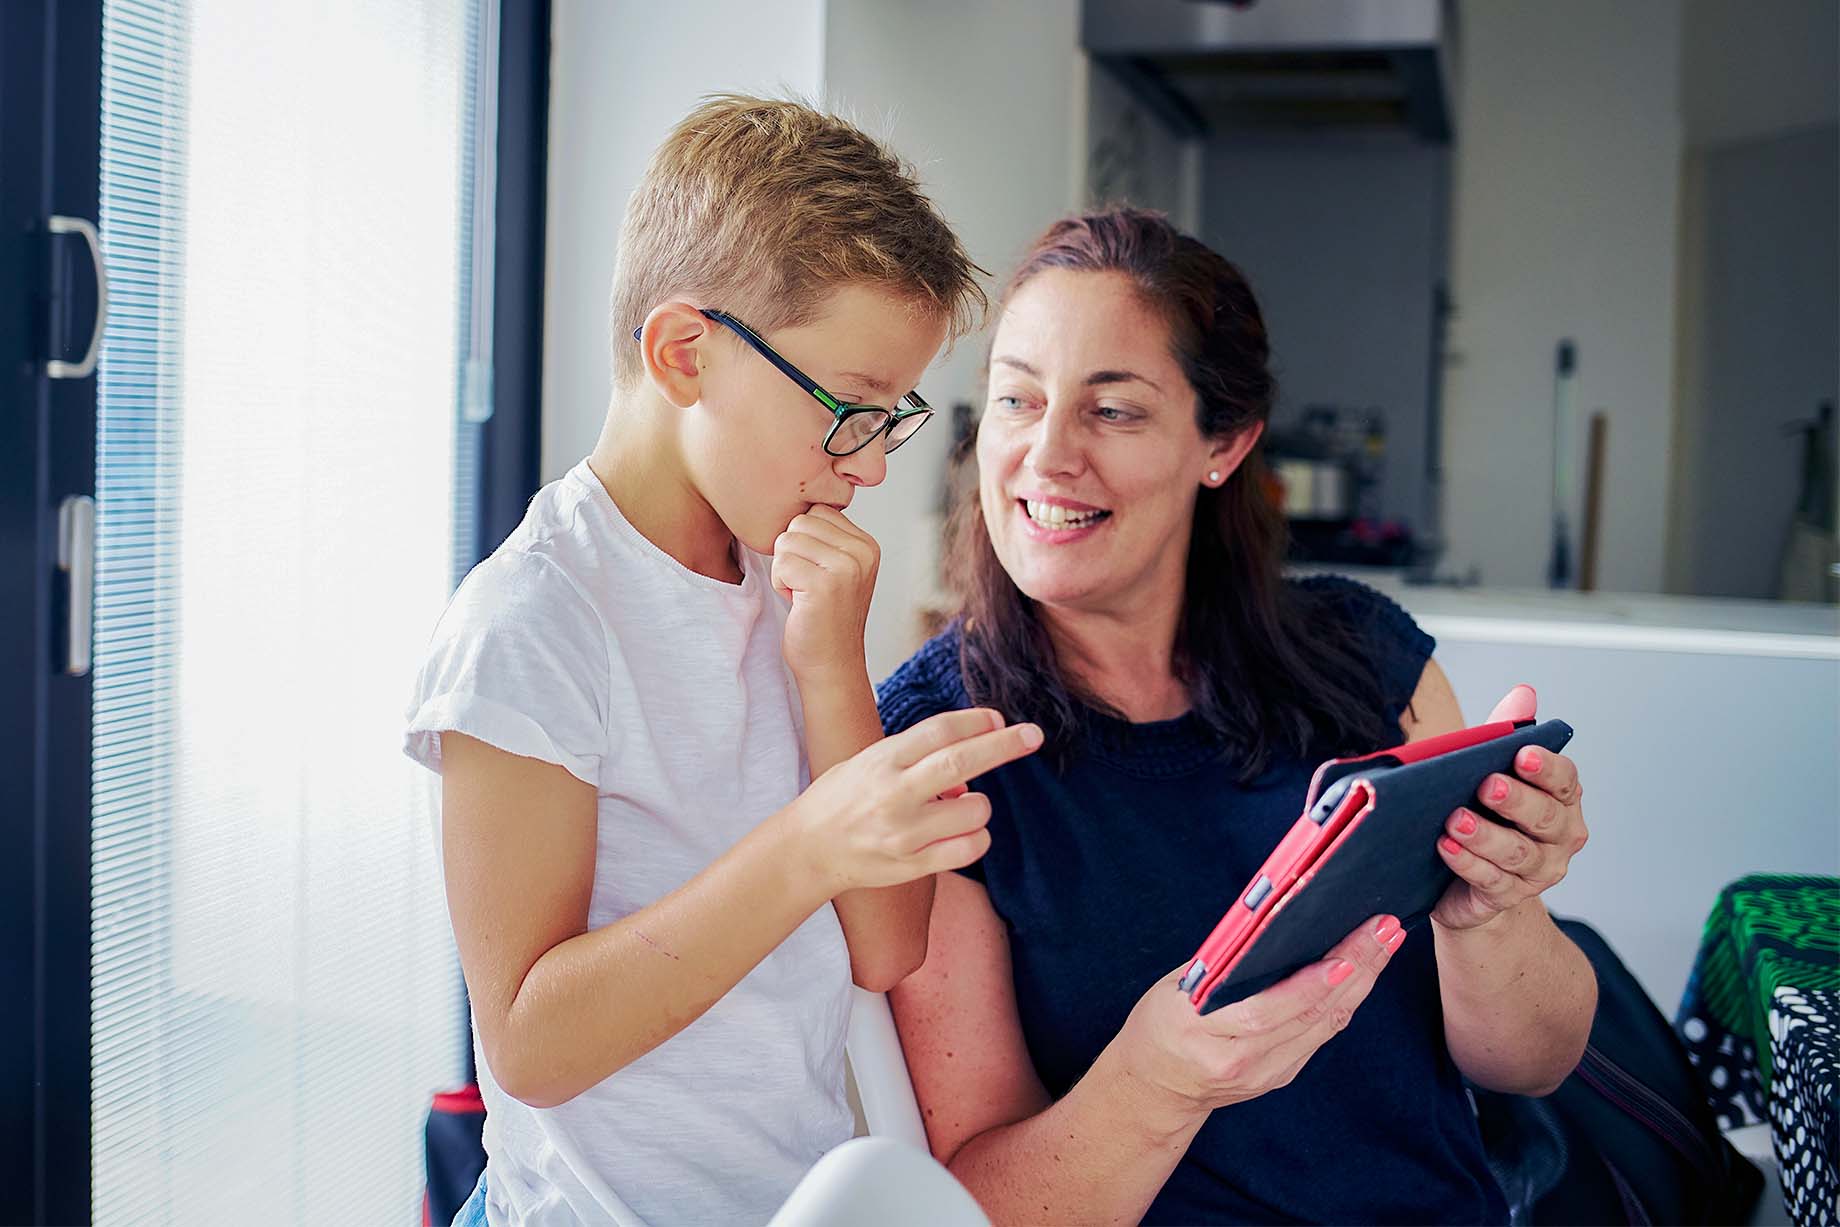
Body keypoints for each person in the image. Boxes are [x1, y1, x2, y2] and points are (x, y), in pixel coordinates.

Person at [876, 207, 1598, 1225]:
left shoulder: (1366, 663)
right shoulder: (933, 747)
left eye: (1112, 411)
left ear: (1223, 443)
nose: (1046, 455)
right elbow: (976, 1204)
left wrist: (1494, 909)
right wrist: (1156, 1084)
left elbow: (1535, 1062)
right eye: (1015, 401)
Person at [403, 96, 1042, 1226]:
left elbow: (886, 950)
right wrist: (806, 846)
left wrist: (831, 666)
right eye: (850, 410)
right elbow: (531, 1044)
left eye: (888, 419)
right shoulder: (534, 623)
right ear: (685, 354)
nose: (870, 464)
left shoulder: (782, 587)